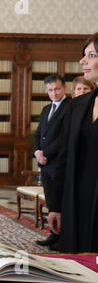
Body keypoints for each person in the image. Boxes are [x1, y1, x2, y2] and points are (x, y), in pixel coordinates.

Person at [48, 32, 98, 252]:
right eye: (84, 55)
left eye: (92, 55)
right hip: (77, 203)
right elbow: (64, 158)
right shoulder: (78, 105)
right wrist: (56, 206)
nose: (82, 61)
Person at [33, 74, 70, 248]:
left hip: (58, 163)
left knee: (60, 201)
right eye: (50, 90)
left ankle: (62, 236)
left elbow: (64, 137)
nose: (54, 93)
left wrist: (45, 153)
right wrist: (37, 152)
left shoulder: (70, 108)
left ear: (64, 88)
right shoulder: (46, 109)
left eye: (57, 89)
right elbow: (39, 134)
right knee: (51, 201)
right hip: (45, 164)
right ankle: (53, 233)